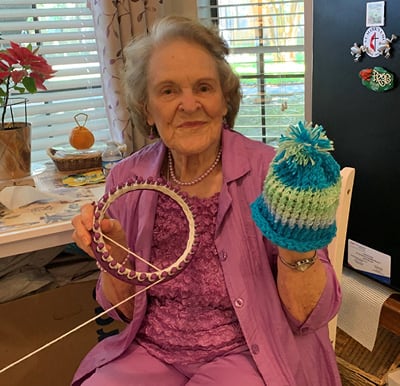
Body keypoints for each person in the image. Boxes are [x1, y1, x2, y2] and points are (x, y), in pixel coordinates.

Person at [71, 15, 342, 386]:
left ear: (224, 99)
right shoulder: (127, 181)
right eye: (168, 91)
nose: (189, 103)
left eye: (204, 87)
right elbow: (122, 313)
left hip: (250, 352)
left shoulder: (270, 172)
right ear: (147, 108)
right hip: (151, 352)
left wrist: (298, 247)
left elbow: (308, 316)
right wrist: (114, 259)